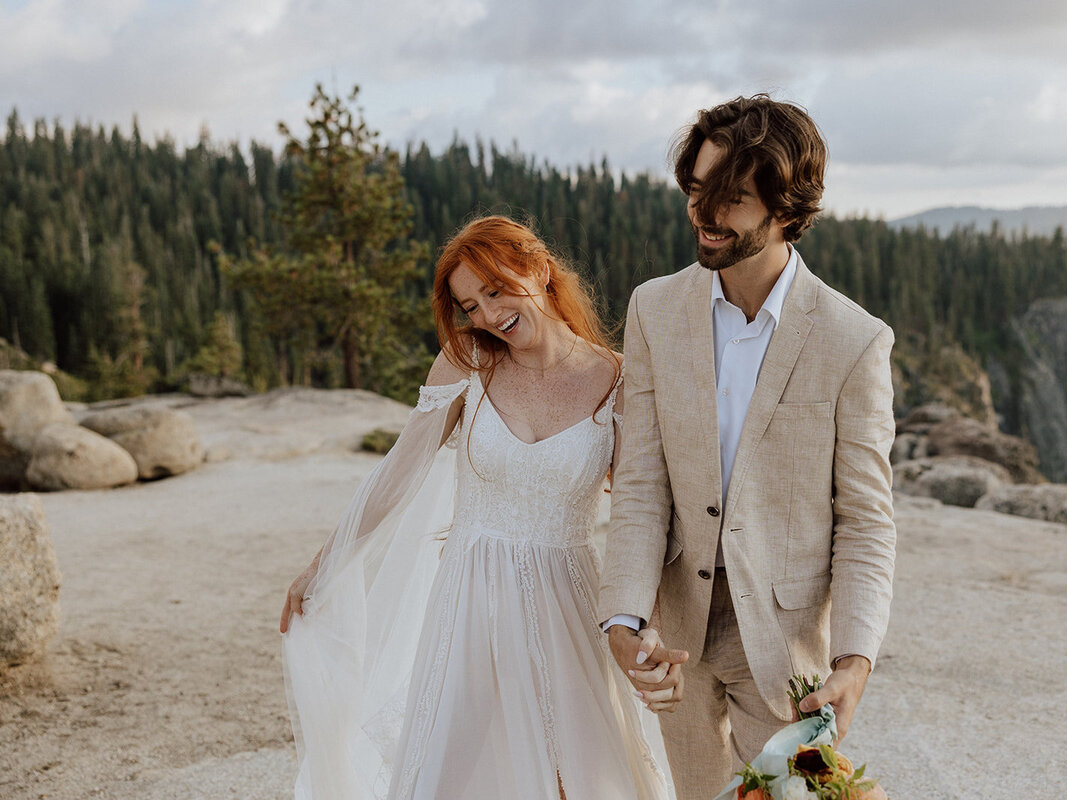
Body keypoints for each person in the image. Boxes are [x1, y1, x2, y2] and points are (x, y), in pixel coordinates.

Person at [279, 216, 671, 800]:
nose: (487, 316)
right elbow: (398, 472)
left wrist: (646, 619)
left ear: (539, 268)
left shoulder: (616, 379)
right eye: (470, 304)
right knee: (452, 773)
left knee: (579, 777)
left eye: (494, 290)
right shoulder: (468, 361)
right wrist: (324, 565)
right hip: (469, 600)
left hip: (570, 602)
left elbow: (644, 515)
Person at [599, 94, 898, 800]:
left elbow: (866, 519)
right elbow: (641, 482)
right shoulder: (653, 310)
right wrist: (623, 619)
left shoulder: (854, 342)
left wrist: (853, 663)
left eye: (731, 199)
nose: (705, 214)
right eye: (697, 190)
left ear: (787, 210)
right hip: (678, 637)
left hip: (787, 645)